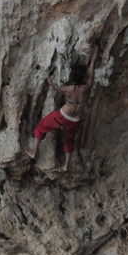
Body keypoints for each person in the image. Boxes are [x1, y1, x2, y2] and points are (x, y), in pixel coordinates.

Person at [25, 43, 100, 171]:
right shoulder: (88, 86)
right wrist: (96, 50)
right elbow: (92, 64)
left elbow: (58, 88)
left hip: (62, 117)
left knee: (42, 125)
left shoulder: (68, 89)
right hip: (75, 121)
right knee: (70, 140)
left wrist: (50, 83)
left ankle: (33, 151)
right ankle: (66, 165)